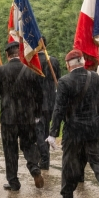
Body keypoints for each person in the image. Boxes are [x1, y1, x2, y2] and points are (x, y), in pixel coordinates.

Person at [47, 49, 99, 198]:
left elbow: (59, 110)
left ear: (68, 65)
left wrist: (53, 133)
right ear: (82, 62)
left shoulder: (64, 82)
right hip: (94, 127)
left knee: (70, 162)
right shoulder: (94, 77)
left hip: (74, 129)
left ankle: (67, 197)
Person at [0, 42, 44, 191]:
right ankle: (34, 168)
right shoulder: (30, 70)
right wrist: (37, 114)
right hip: (27, 117)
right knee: (28, 145)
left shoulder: (0, 71)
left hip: (9, 117)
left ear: (7, 55)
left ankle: (13, 182)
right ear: (20, 54)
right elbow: (39, 95)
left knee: (10, 149)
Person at [35, 36, 61, 170]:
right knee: (45, 130)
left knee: (39, 131)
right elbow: (59, 80)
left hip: (38, 102)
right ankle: (44, 158)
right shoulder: (54, 61)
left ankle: (44, 159)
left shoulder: (33, 62)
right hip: (51, 102)